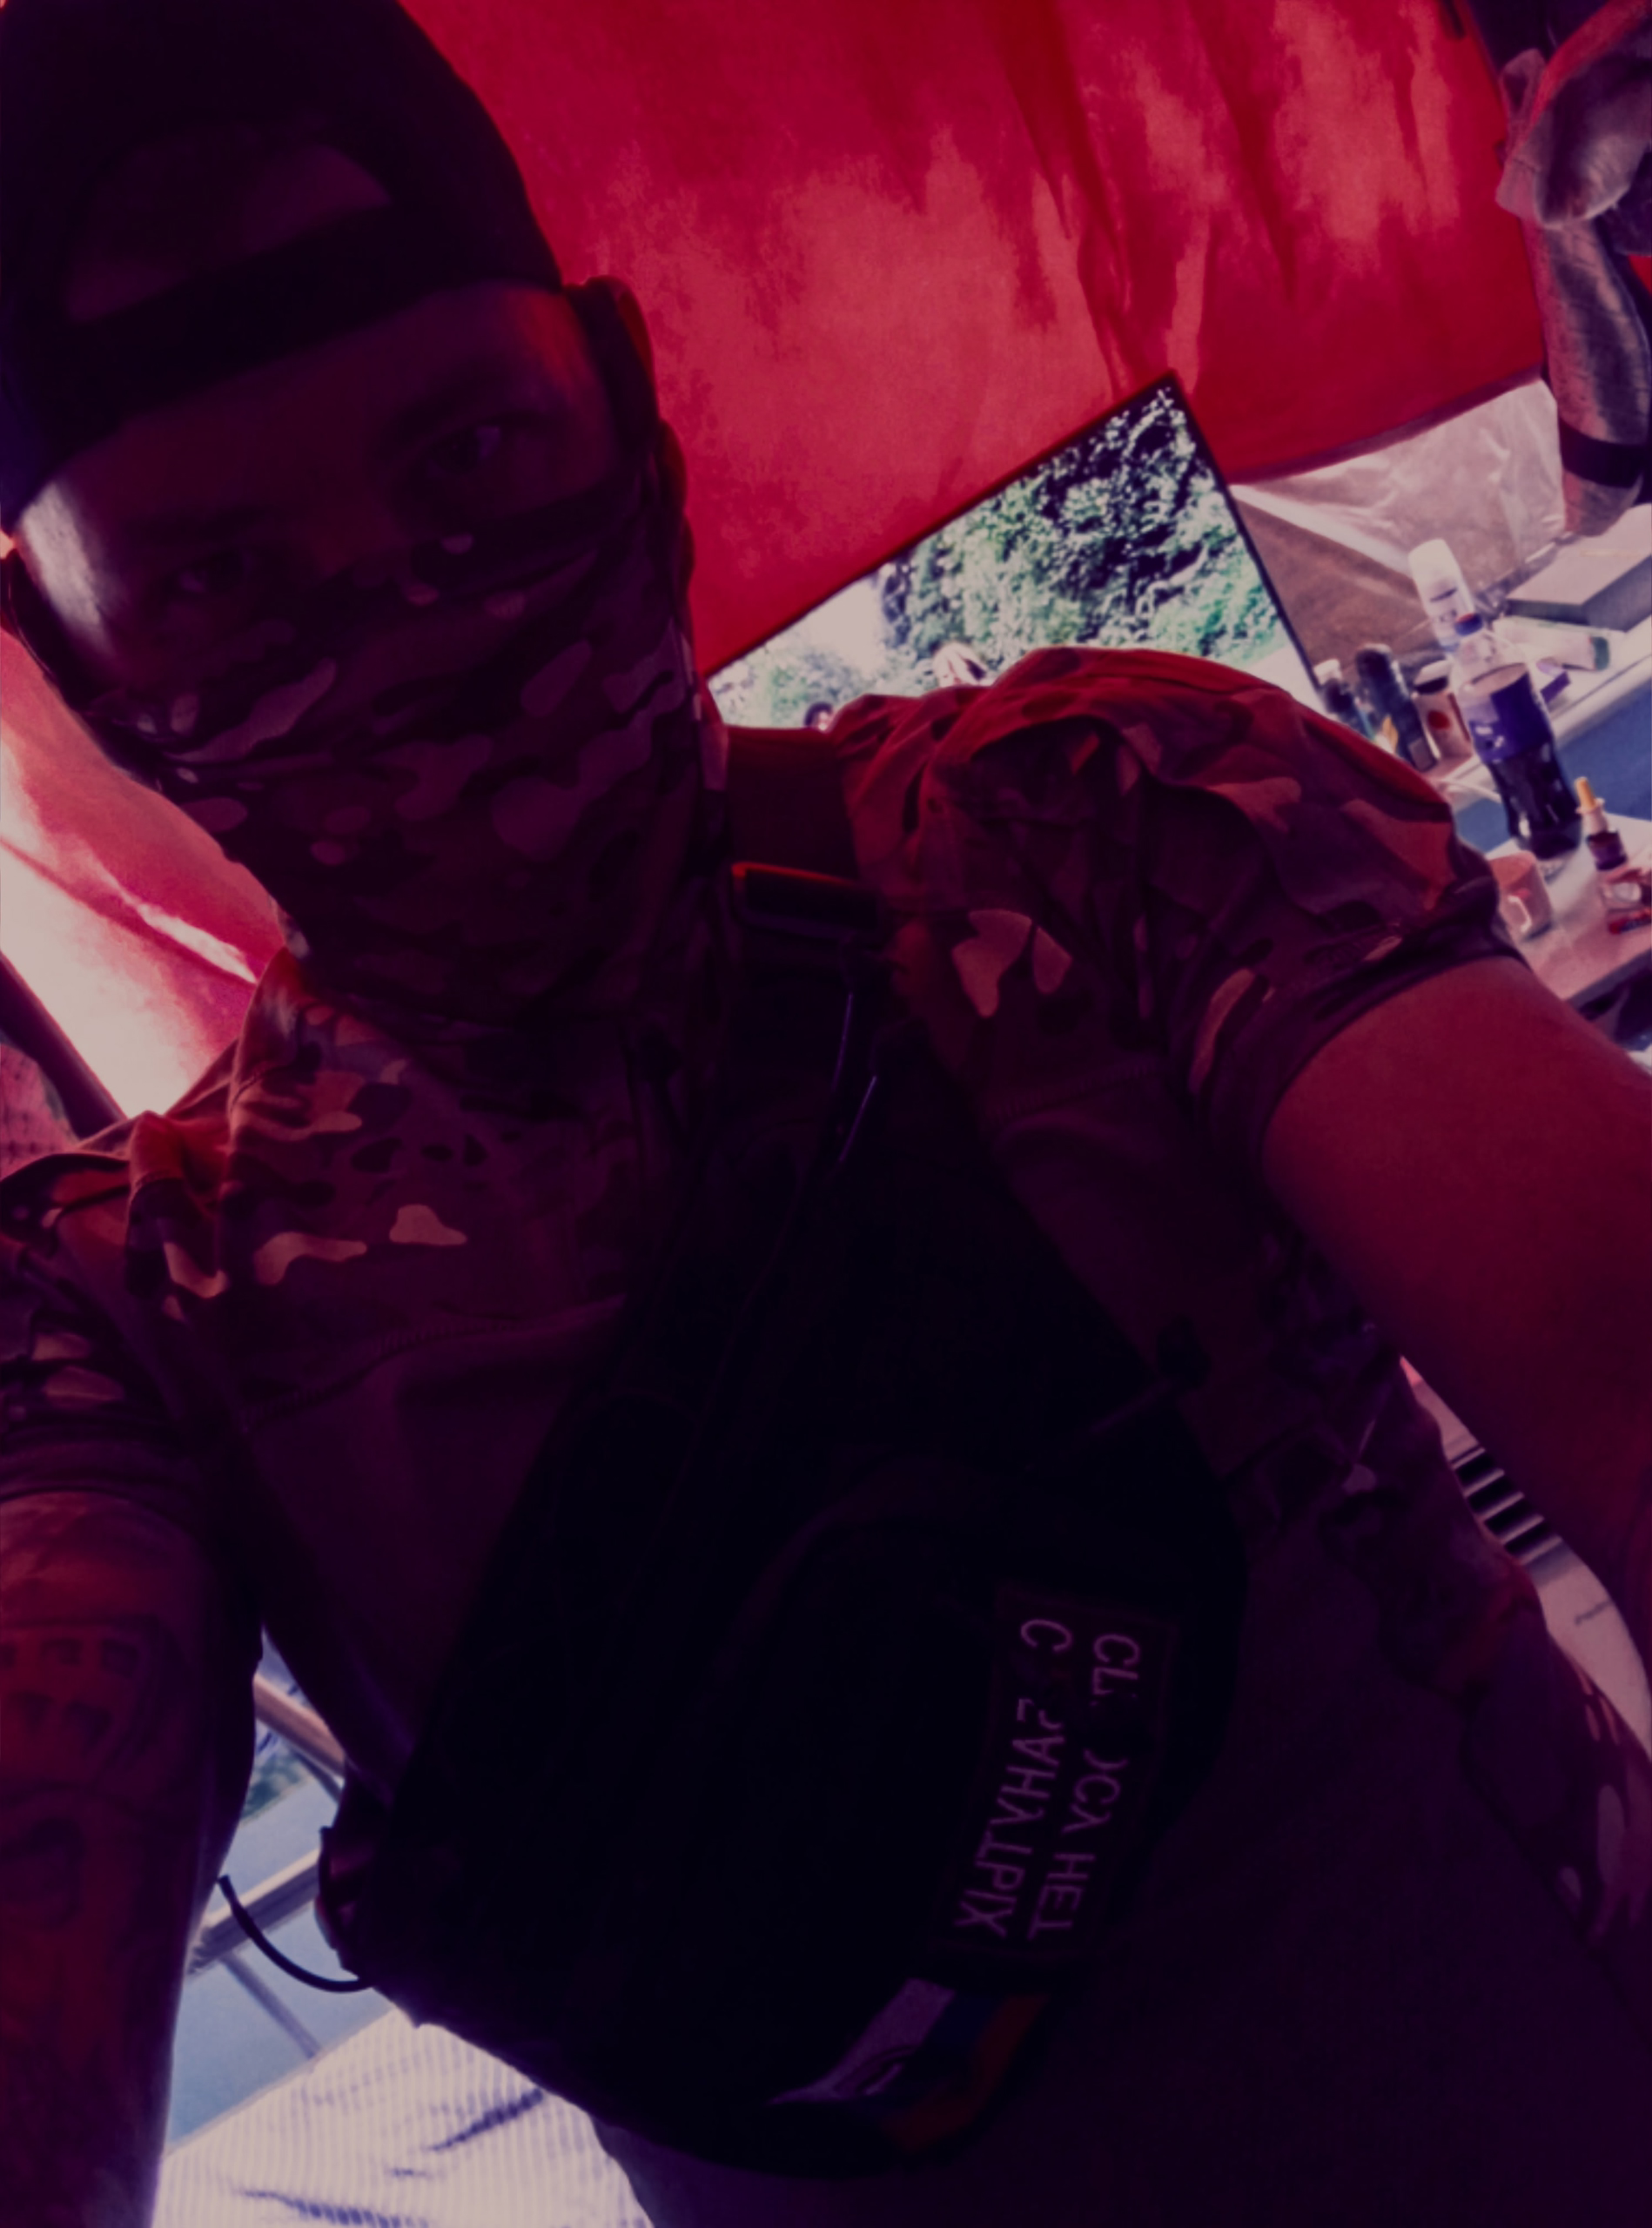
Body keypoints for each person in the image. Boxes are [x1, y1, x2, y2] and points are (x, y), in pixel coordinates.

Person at [0, 3, 1647, 2224]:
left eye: (467, 453)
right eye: (218, 578)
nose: (399, 617)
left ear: (623, 404)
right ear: (84, 668)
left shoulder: (1097, 820)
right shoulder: (115, 1319)